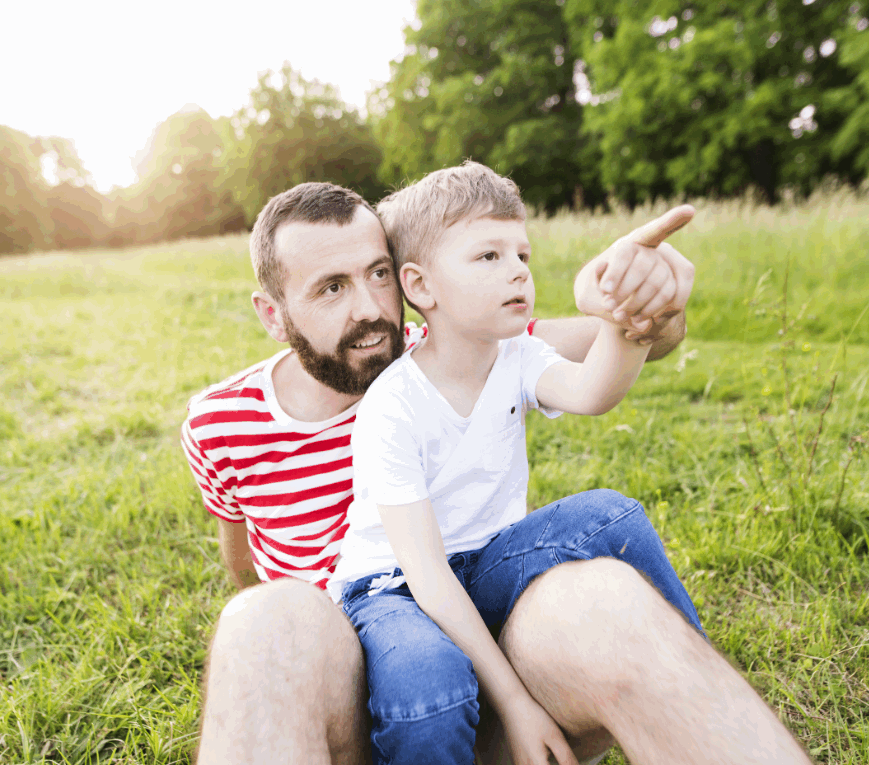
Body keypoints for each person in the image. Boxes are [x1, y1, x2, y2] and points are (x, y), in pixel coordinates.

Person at [185, 180, 811, 764]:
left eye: (378, 275)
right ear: (272, 314)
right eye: (330, 288)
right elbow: (241, 563)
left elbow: (605, 346)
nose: (373, 310)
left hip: (486, 629)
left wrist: (637, 298)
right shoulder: (221, 423)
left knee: (605, 560)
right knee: (264, 620)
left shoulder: (467, 340)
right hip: (352, 663)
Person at [326, 161, 707, 765]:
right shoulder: (392, 406)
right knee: (433, 684)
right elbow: (425, 573)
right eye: (488, 257)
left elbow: (592, 392)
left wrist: (627, 321)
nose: (518, 272)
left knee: (610, 516)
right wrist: (516, 702)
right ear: (421, 286)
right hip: (394, 590)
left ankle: (694, 691)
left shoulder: (519, 356)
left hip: (487, 565)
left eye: (522, 255)